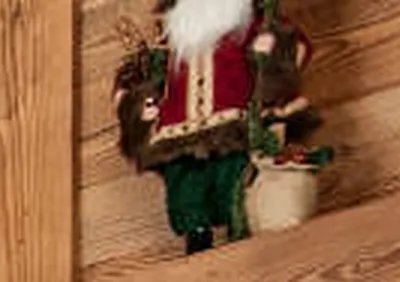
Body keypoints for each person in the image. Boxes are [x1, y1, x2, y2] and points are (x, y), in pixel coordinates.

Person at [114, 0, 310, 253]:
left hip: (231, 122)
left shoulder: (248, 25)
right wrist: (142, 98)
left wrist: (271, 50)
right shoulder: (172, 34)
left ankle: (238, 226)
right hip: (179, 129)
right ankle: (196, 233)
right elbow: (153, 74)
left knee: (234, 177)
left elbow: (290, 47)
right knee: (186, 184)